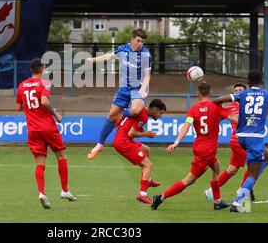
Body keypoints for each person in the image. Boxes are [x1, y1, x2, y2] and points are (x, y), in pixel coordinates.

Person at [151, 82, 238, 211]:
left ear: (198, 93)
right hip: (207, 151)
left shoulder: (194, 109)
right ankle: (161, 197)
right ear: (210, 92)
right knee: (189, 180)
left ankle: (217, 201)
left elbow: (186, 125)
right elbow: (234, 119)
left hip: (200, 147)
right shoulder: (216, 107)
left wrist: (176, 142)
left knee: (216, 167)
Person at [212, 70, 268, 212]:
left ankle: (247, 185)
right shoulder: (267, 94)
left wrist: (212, 104)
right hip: (255, 138)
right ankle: (238, 202)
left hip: (241, 137)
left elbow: (220, 100)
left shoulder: (243, 94)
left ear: (248, 81)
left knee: (267, 157)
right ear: (261, 81)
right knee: (252, 173)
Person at [16, 58, 76, 209]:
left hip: (33, 129)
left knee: (39, 162)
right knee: (61, 155)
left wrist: (30, 110)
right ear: (42, 69)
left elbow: (18, 107)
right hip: (47, 127)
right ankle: (65, 190)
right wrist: (56, 114)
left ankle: (42, 192)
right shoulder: (45, 84)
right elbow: (44, 101)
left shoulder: (22, 85)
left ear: (31, 69)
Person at [86, 29, 152, 160]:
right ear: (132, 39)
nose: (140, 44)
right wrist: (92, 60)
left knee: (136, 110)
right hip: (124, 88)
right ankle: (99, 145)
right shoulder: (122, 49)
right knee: (111, 115)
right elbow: (108, 56)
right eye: (138, 41)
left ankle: (121, 116)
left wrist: (143, 88)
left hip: (137, 88)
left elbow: (147, 75)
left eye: (142, 42)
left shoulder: (146, 54)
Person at [204, 83, 257, 202]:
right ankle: (242, 190)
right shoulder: (229, 108)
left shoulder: (250, 106)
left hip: (244, 141)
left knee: (232, 169)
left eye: (240, 90)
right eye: (236, 90)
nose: (238, 92)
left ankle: (211, 191)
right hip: (238, 141)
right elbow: (216, 117)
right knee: (254, 164)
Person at [113, 99, 166, 204]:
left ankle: (148, 179)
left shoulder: (139, 111)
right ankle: (143, 194)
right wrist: (147, 134)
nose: (160, 116)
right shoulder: (143, 116)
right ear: (155, 109)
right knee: (148, 165)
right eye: (160, 113)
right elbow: (131, 133)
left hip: (121, 140)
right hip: (124, 142)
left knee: (146, 149)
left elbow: (130, 124)